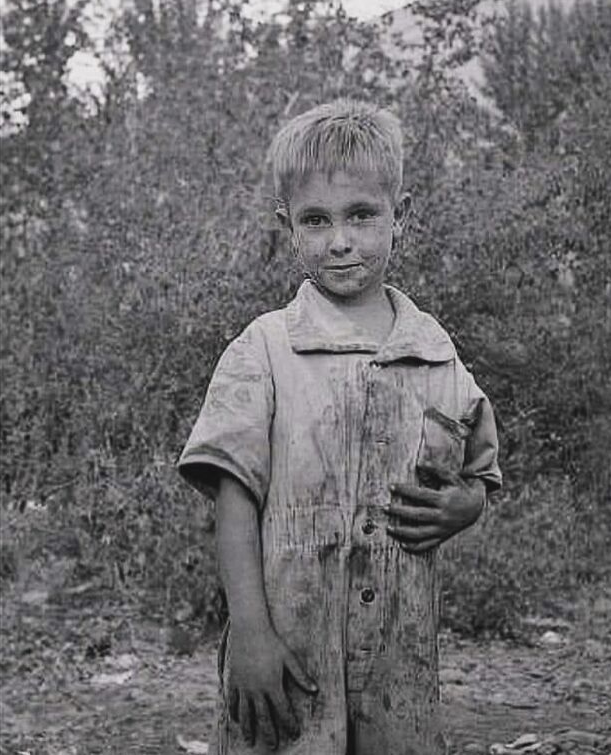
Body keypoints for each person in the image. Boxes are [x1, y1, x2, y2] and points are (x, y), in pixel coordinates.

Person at [178, 99, 501, 754]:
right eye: (316, 220)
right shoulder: (263, 349)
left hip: (397, 655)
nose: (340, 239)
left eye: (361, 214)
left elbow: (478, 473)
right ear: (287, 226)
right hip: (289, 647)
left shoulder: (436, 353)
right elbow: (234, 503)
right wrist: (250, 633)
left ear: (399, 217)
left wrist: (463, 506)